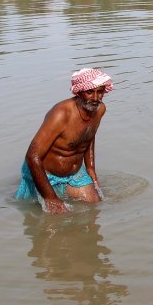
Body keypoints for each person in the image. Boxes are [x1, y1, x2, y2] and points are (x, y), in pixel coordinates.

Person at [16, 68, 113, 214]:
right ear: (79, 92)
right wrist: (51, 198)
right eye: (89, 92)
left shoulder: (99, 109)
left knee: (94, 208)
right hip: (45, 173)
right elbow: (32, 156)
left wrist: (91, 169)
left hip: (74, 174)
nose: (95, 98)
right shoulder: (61, 114)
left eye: (100, 92)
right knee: (51, 225)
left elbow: (89, 136)